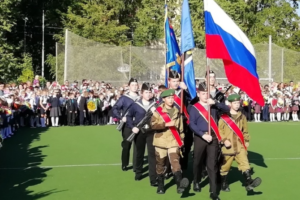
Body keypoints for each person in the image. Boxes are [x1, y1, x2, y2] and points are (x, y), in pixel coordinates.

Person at [188, 82, 229, 200]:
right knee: (197, 161)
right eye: (203, 93)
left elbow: (227, 109)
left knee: (212, 164)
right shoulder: (194, 107)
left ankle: (213, 191)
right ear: (198, 94)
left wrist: (215, 103)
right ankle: (196, 181)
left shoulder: (214, 105)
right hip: (201, 137)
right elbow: (192, 124)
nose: (205, 96)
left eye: (207, 93)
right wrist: (202, 134)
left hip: (214, 137)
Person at [219, 94, 262, 192]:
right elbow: (219, 131)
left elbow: (245, 130)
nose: (237, 105)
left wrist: (246, 140)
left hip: (239, 145)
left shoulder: (242, 117)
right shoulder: (223, 117)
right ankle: (224, 183)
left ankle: (249, 181)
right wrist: (224, 140)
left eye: (238, 103)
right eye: (235, 103)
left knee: (245, 164)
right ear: (230, 104)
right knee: (225, 167)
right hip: (228, 147)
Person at [151, 89, 189, 194]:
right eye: (169, 98)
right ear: (163, 99)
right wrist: (165, 124)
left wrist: (182, 138)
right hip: (161, 141)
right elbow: (153, 125)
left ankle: (179, 185)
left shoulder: (177, 112)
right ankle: (160, 186)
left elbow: (181, 128)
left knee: (175, 163)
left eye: (172, 98)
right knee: (160, 164)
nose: (171, 100)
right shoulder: (158, 111)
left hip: (173, 141)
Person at [126, 83, 158, 186]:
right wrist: (132, 127)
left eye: (150, 92)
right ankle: (138, 172)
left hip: (151, 132)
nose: (148, 94)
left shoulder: (155, 105)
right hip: (139, 132)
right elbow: (129, 117)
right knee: (139, 153)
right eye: (146, 92)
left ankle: (153, 178)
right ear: (141, 93)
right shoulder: (135, 105)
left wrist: (156, 113)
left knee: (152, 155)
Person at [112, 78, 139, 171]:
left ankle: (136, 165)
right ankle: (125, 163)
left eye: (136, 85)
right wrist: (120, 117)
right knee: (127, 144)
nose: (135, 87)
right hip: (127, 124)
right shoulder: (124, 98)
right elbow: (115, 108)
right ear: (129, 86)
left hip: (138, 124)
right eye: (133, 85)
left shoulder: (141, 97)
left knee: (138, 146)